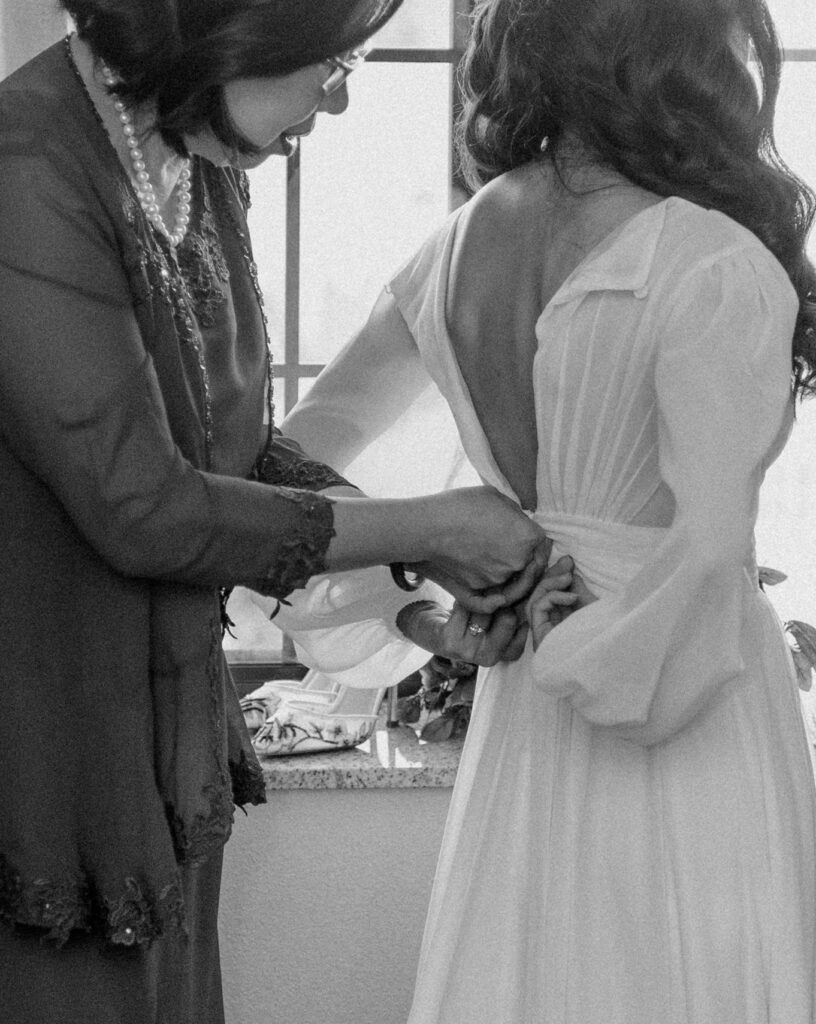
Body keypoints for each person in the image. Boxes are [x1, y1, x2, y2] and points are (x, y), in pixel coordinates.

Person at [262, 0, 816, 1020]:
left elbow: (287, 475)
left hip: (527, 713)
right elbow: (705, 553)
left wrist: (422, 605)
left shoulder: (455, 249)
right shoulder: (713, 261)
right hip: (689, 723)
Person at [0, 2, 553, 1021]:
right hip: (50, 744)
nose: (338, 95)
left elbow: (241, 453)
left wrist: (427, 583)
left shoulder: (195, 160)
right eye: (329, 60)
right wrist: (431, 525)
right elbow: (145, 506)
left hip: (163, 736)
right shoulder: (27, 167)